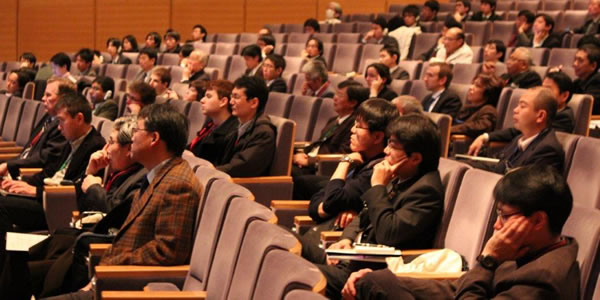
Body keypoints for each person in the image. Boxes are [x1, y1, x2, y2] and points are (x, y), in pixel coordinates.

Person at [343, 164, 579, 300]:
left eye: (505, 216)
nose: (497, 226)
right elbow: (460, 287)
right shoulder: (529, 249)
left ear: (538, 220)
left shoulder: (543, 278)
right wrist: (394, 280)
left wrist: (488, 261)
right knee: (374, 281)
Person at [48, 104, 202, 299]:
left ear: (154, 138)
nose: (132, 138)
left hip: (125, 287)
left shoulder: (177, 185)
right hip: (110, 278)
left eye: (136, 131)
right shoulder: (157, 174)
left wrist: (109, 267)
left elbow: (167, 252)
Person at [299, 114, 444, 298]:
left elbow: (388, 233)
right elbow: (364, 213)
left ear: (415, 158)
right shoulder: (401, 176)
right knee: (284, 241)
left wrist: (377, 187)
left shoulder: (426, 191)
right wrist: (347, 239)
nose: (385, 151)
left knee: (292, 271)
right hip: (351, 257)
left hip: (368, 272)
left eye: (392, 145)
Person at [0, 93, 106, 233]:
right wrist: (27, 185)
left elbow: (78, 190)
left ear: (79, 118)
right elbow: (50, 171)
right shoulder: (72, 139)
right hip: (46, 196)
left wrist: (36, 191)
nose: (59, 127)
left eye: (62, 121)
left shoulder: (95, 146)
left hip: (58, 208)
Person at [303, 99, 398, 245]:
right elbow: (319, 198)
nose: (352, 130)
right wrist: (323, 208)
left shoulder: (377, 170)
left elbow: (330, 200)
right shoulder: (360, 159)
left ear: (378, 137)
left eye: (359, 126)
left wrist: (344, 161)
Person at [469, 72, 576, 154]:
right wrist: (486, 136)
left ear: (564, 96)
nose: (541, 92)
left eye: (547, 89)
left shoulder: (563, 118)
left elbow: (526, 136)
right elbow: (516, 132)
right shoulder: (521, 136)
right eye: (541, 87)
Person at [292, 82, 368, 198]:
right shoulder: (334, 120)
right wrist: (304, 153)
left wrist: (310, 161)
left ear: (353, 103)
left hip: (324, 168)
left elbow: (344, 153)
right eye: (336, 94)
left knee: (295, 177)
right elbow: (320, 143)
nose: (335, 98)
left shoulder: (353, 125)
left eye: (340, 95)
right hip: (312, 160)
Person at [466, 87, 564, 174]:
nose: (515, 110)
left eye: (523, 106)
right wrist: (466, 166)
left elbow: (522, 188)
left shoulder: (547, 151)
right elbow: (498, 167)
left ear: (540, 116)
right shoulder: (519, 139)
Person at [0, 77, 73, 181]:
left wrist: (9, 165)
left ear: (63, 98)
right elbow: (29, 151)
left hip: (30, 175)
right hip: (19, 167)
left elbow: (45, 159)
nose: (43, 98)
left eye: (48, 95)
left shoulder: (63, 126)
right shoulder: (48, 117)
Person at [216, 76, 276, 177]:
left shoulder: (263, 133)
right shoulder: (238, 125)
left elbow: (241, 167)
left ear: (254, 103)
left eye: (236, 97)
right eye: (232, 96)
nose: (231, 102)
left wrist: (212, 171)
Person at [188, 80, 238, 164]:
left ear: (223, 102)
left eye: (208, 96)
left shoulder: (231, 132)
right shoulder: (210, 124)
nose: (202, 100)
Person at [572, 44, 600, 114]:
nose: (575, 64)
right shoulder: (577, 82)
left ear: (593, 66)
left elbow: (586, 107)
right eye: (575, 59)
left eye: (580, 61)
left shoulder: (597, 82)